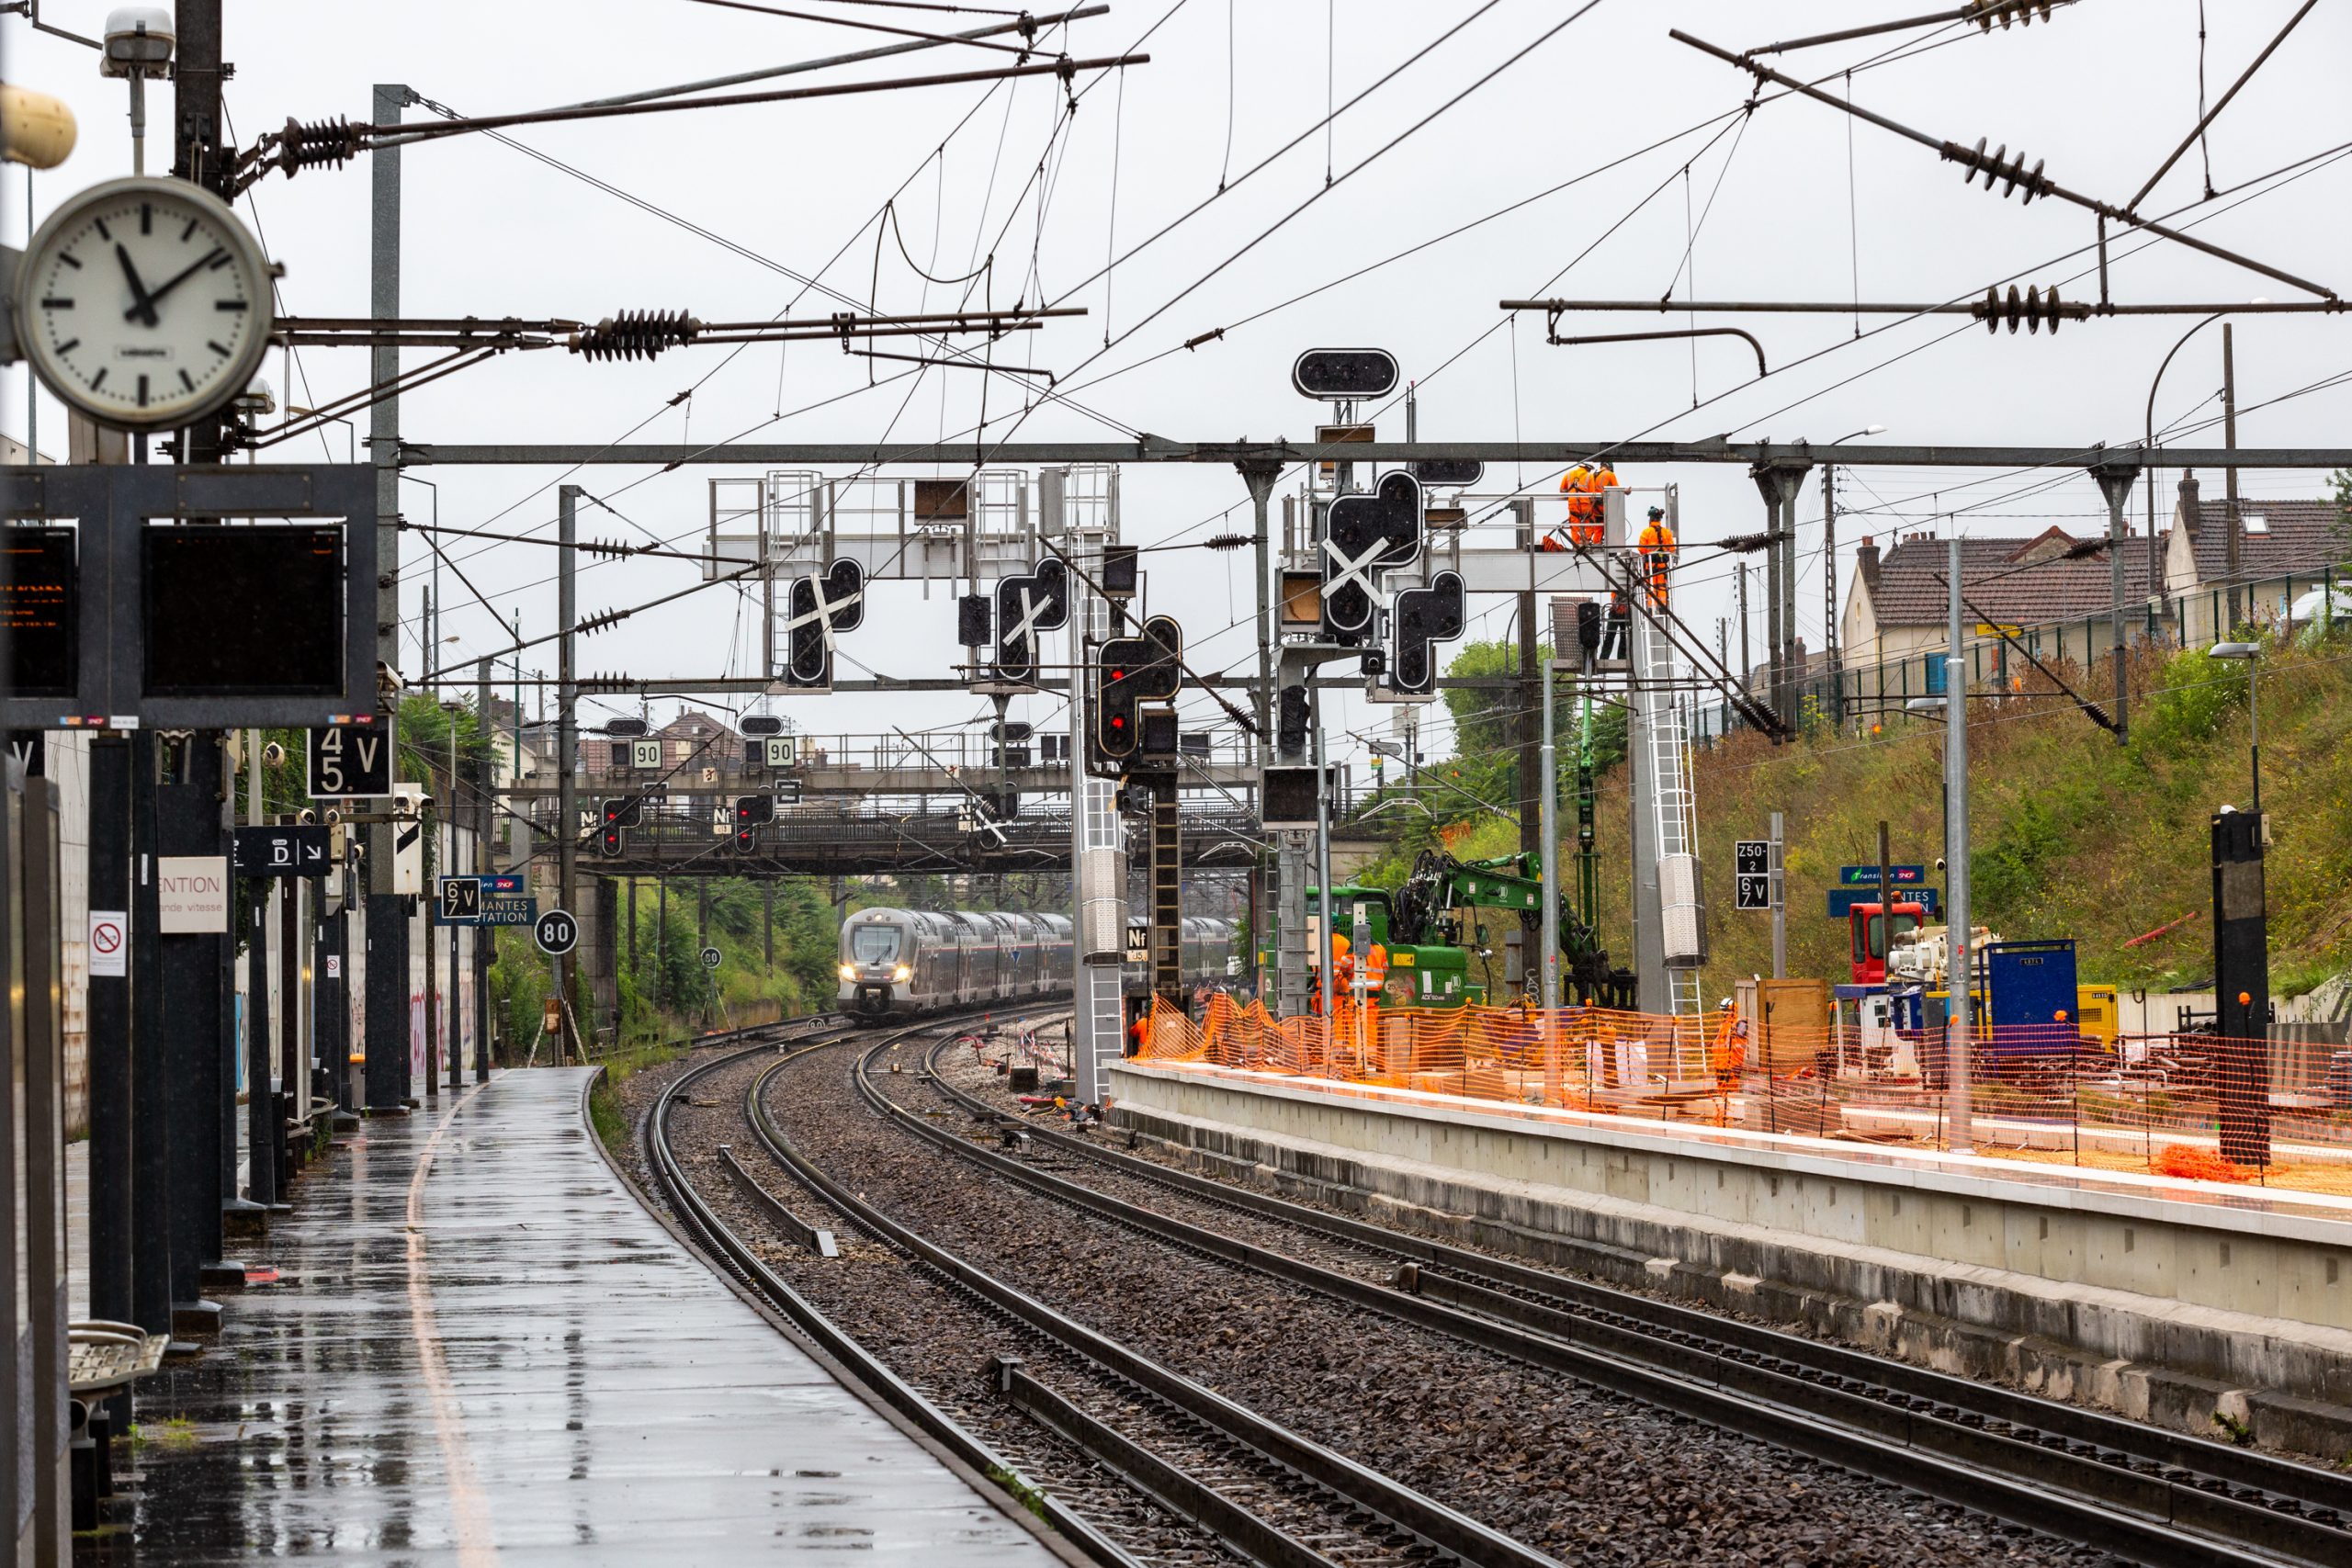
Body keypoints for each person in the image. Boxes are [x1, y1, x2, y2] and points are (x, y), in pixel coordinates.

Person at [1637, 505, 1677, 608]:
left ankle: (1651, 607)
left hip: (1650, 566)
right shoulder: (1666, 532)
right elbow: (1672, 549)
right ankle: (1663, 607)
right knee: (1662, 587)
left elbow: (1641, 549)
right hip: (1663, 566)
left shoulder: (1646, 532)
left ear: (1650, 519)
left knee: (1651, 587)